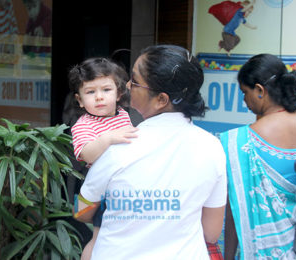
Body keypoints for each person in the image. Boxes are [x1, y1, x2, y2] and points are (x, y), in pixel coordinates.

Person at [73, 44, 227, 259]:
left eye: (134, 81)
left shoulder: (119, 145)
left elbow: (81, 211)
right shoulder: (212, 147)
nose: (127, 85)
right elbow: (211, 233)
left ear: (161, 100)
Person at [220, 54, 296, 259]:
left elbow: (235, 210)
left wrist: (229, 256)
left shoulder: (236, 142)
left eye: (245, 93)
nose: (244, 101)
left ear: (260, 90)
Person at [68, 57, 138, 260]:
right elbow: (85, 153)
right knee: (98, 236)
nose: (99, 97)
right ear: (80, 100)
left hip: (127, 186)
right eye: (90, 92)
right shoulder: (83, 124)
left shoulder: (125, 115)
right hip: (101, 190)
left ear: (119, 93)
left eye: (106, 90)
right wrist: (107, 139)